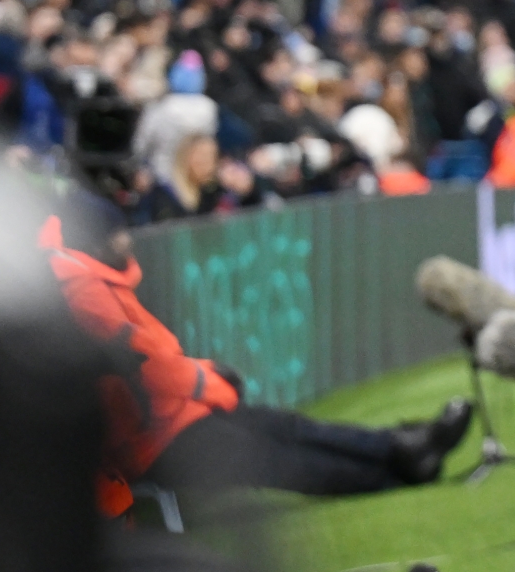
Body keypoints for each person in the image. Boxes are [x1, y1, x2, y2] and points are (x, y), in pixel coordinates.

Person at [42, 194, 472, 506]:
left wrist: (204, 373)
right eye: (118, 236)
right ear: (96, 242)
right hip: (152, 439)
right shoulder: (82, 292)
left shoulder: (89, 280)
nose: (128, 242)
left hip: (170, 420)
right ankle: (396, 470)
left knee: (287, 429)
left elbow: (152, 355)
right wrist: (207, 383)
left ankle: (404, 447)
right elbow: (145, 366)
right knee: (280, 457)